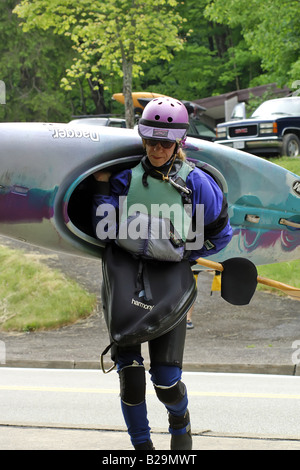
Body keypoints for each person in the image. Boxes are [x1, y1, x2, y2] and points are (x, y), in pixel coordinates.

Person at [92, 97, 232, 450]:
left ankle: (179, 418)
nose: (156, 149)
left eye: (165, 143)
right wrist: (101, 187)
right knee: (131, 378)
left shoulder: (197, 184)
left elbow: (219, 234)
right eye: (150, 141)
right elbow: (101, 226)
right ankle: (143, 449)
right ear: (142, 139)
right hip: (126, 279)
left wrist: (185, 252)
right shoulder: (125, 180)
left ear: (179, 143)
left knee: (166, 381)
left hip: (171, 282)